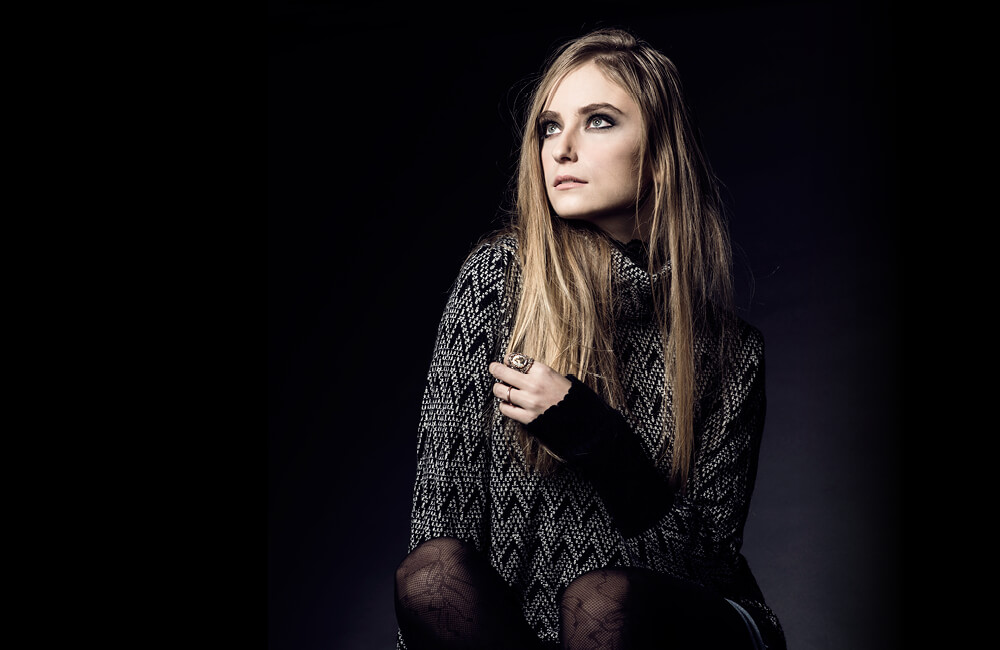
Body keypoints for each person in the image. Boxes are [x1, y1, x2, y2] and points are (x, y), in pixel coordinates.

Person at [393, 27, 785, 650]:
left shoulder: (728, 354)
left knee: (602, 601)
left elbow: (709, 567)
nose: (562, 149)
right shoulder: (496, 284)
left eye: (598, 121)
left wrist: (599, 439)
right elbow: (440, 537)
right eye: (549, 127)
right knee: (431, 577)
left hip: (675, 627)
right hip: (522, 636)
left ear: (659, 156)